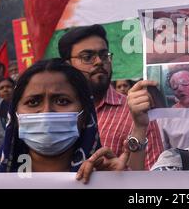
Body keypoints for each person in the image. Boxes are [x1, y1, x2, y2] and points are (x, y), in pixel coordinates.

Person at [0, 59, 129, 182]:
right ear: (15, 116)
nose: (46, 112)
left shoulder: (105, 175)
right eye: (33, 102)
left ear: (84, 115)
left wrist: (121, 182)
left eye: (62, 101)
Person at [58, 24, 163, 169]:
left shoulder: (136, 114)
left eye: (104, 55)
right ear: (67, 65)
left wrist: (121, 175)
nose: (99, 62)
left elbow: (154, 177)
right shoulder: (55, 113)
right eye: (87, 57)